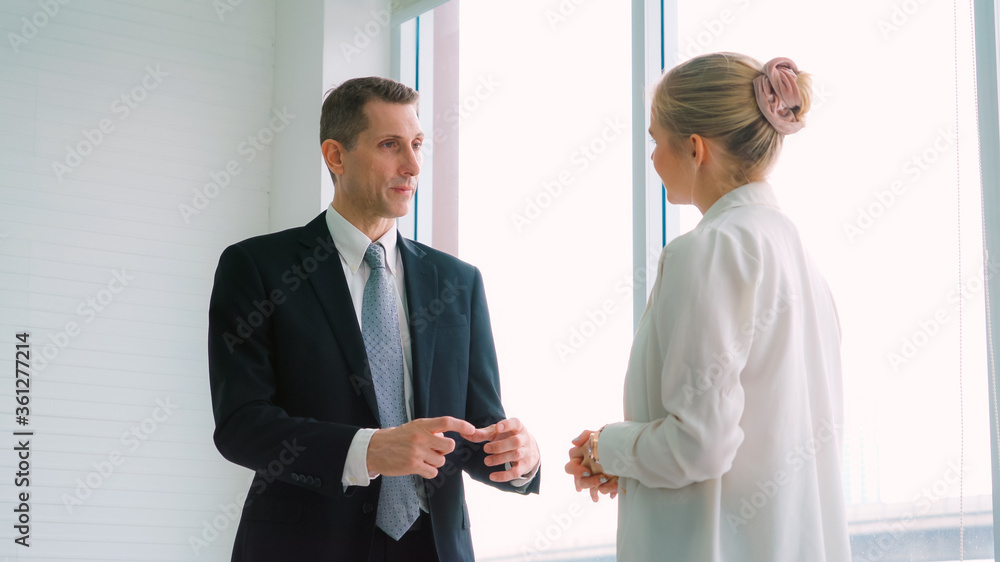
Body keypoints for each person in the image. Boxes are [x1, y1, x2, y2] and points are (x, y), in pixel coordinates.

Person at [208, 76, 541, 562]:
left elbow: (475, 430)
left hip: (434, 547)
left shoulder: (458, 282)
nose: (411, 165)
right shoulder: (258, 267)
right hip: (305, 546)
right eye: (390, 145)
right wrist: (367, 450)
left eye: (418, 144)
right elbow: (242, 424)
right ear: (336, 156)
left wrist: (518, 459)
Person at [564, 53, 850, 561]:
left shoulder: (708, 249)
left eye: (656, 140)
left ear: (695, 149)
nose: (651, 159)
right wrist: (627, 460)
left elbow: (699, 444)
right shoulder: (801, 258)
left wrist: (605, 447)